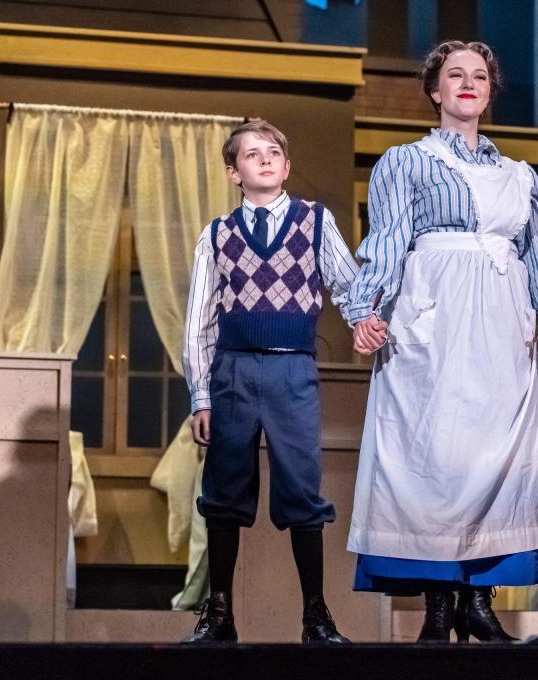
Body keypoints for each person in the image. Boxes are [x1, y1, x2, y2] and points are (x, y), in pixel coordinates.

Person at [345, 40, 538, 643]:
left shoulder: (519, 176)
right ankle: (438, 606)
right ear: (435, 90)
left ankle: (479, 601)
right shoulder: (406, 161)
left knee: (493, 457)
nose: (468, 83)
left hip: (501, 322)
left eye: (479, 76)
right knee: (435, 459)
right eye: (455, 75)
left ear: (490, 92)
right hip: (434, 317)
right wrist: (364, 308)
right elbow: (388, 239)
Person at [181, 120, 359, 644]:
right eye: (252, 154)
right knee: (224, 491)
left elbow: (348, 284)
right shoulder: (217, 234)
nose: (265, 159)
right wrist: (200, 394)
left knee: (303, 490)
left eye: (274, 151)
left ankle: (316, 616)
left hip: (291, 369)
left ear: (285, 163)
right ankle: (219, 615)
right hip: (234, 370)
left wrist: (367, 320)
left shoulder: (314, 221)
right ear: (233, 171)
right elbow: (199, 322)